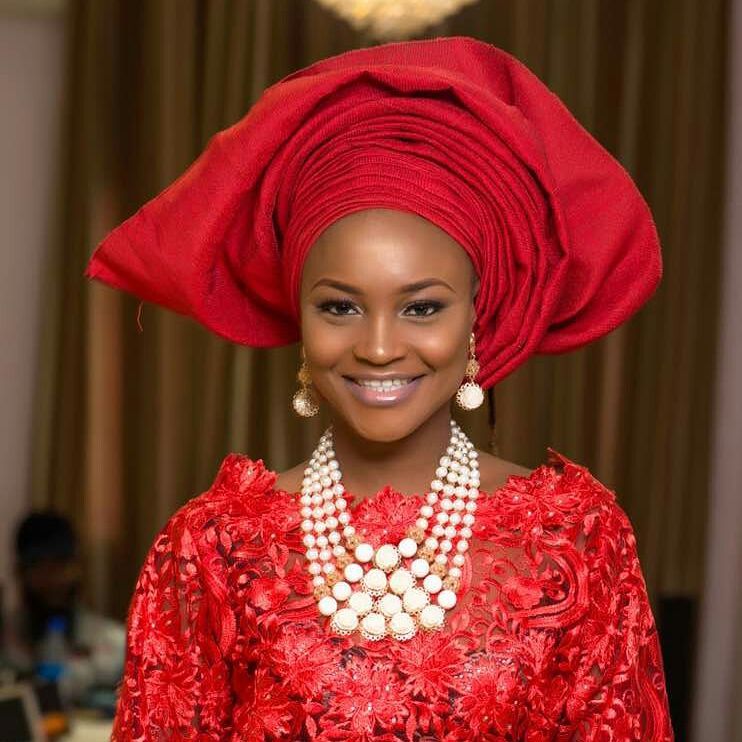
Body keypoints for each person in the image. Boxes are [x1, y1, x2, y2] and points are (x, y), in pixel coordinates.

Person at [84, 37, 673, 740]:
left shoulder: (576, 540)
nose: (380, 346)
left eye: (422, 307)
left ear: (476, 314)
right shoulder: (211, 548)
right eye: (340, 306)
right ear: (300, 315)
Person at [2, 511, 125, 706]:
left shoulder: (115, 643)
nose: (53, 580)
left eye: (60, 565)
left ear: (78, 567)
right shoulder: (7, 642)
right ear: (21, 573)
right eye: (40, 567)